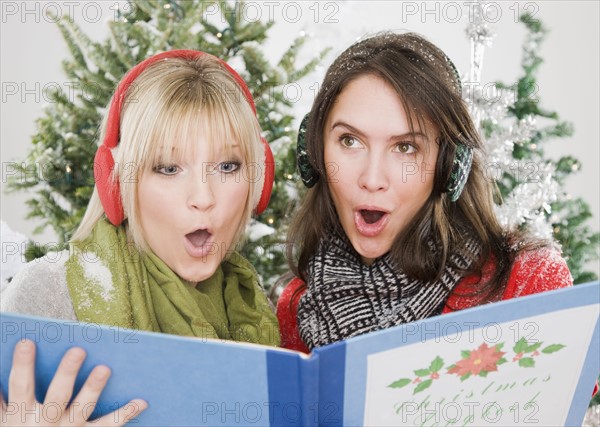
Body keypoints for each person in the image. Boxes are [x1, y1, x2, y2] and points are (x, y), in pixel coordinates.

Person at [1, 50, 279, 424]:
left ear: (258, 179)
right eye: (168, 168)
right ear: (118, 184)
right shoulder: (48, 296)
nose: (203, 198)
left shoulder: (251, 304)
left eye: (228, 166)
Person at [276, 32, 573, 354]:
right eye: (350, 141)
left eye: (405, 147)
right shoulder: (298, 305)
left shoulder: (528, 283)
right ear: (314, 152)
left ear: (449, 164)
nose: (372, 179)